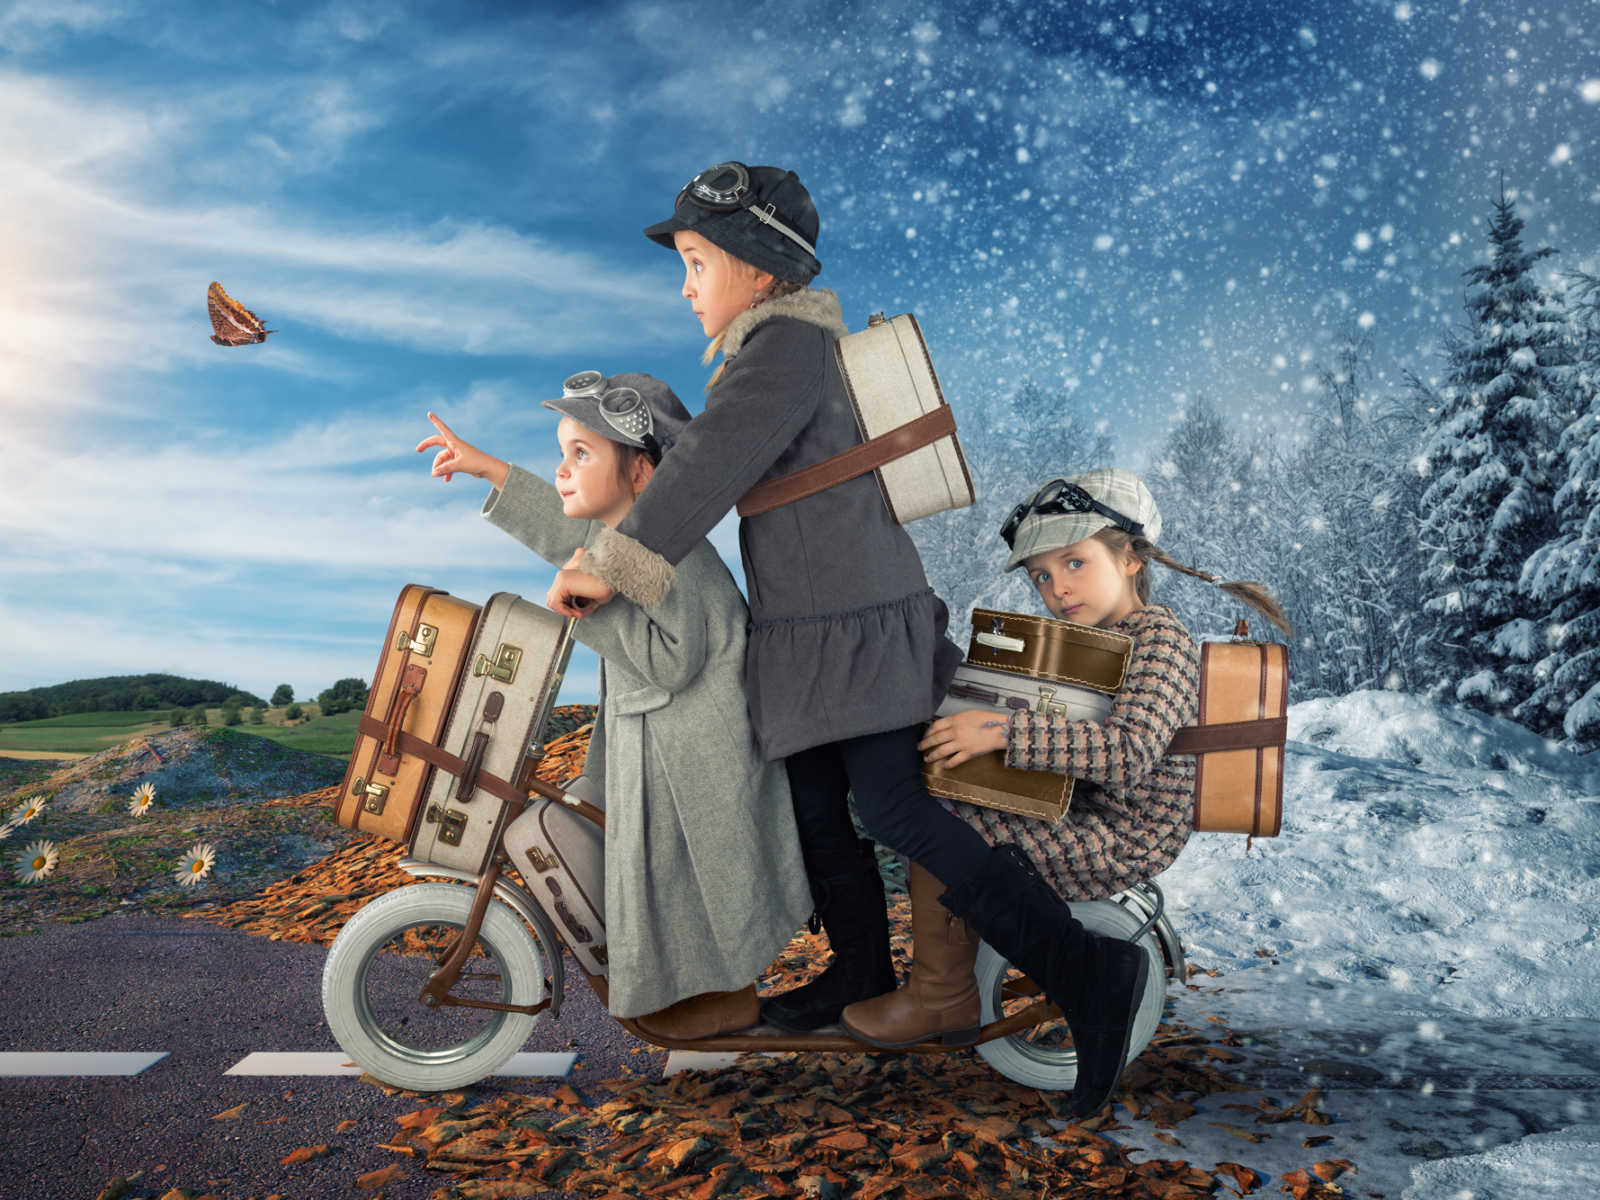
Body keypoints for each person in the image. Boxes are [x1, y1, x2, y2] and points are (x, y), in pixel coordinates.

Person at [545, 162, 1166, 1117]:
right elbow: (703, 457)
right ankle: (860, 972)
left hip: (858, 627)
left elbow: (705, 466)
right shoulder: (768, 352)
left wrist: (610, 563)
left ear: (757, 268)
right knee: (816, 802)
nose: (686, 283)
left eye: (699, 261)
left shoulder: (787, 347)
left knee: (894, 806)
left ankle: (1087, 972)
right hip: (810, 632)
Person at [851, 469, 1291, 1106]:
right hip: (1078, 809)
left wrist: (1004, 731)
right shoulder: (1091, 643)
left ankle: (942, 991)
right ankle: (937, 982)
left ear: (1131, 557)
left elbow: (1130, 754)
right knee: (921, 789)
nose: (1057, 589)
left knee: (934, 816)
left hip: (1121, 833)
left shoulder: (1158, 640)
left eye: (1075, 563)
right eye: (1042, 576)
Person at [415, 370, 812, 1041]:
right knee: (664, 886)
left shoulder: (669, 555)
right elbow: (563, 529)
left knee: (692, 885)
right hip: (662, 747)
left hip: (696, 762)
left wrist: (578, 608)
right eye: (562, 454)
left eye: (582, 455)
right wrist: (491, 472)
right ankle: (687, 994)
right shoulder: (629, 541)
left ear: (644, 475)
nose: (564, 471)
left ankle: (723, 998)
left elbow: (672, 658)